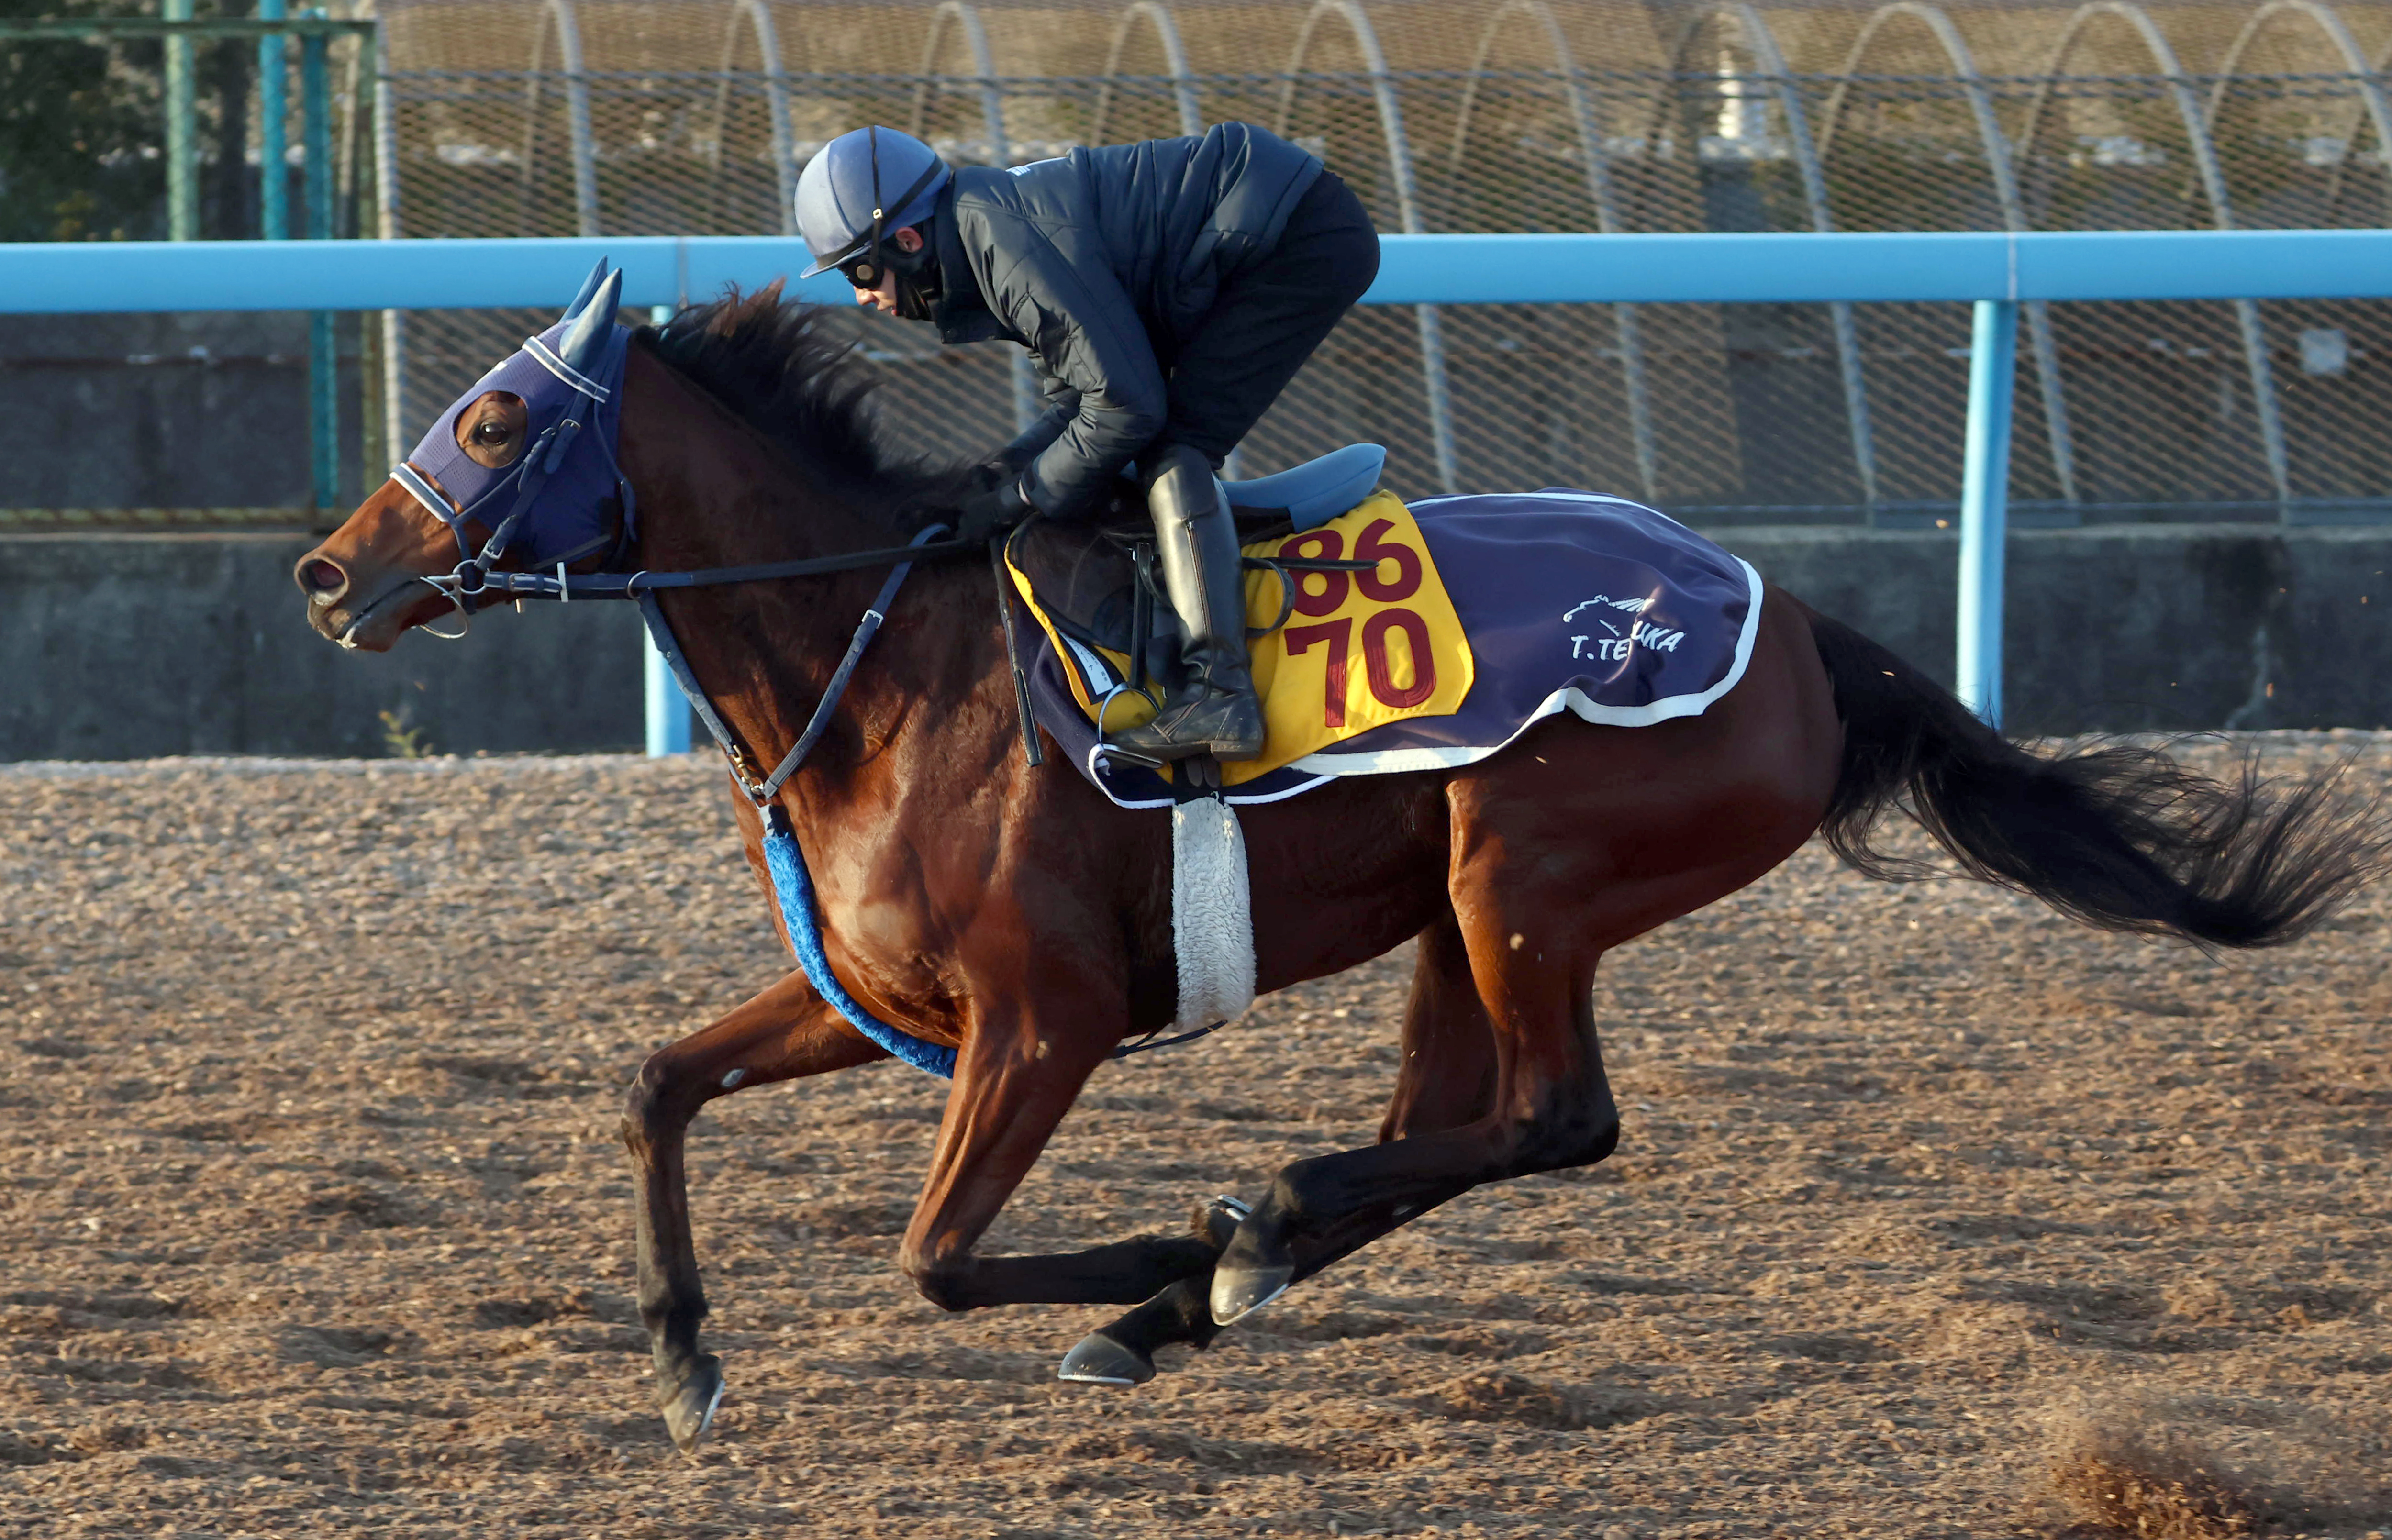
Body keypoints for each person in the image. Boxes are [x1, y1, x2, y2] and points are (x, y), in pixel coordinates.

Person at [792, 122, 1380, 764]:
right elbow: (1079, 402)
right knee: (1136, 440)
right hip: (1253, 225)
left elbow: (1126, 408)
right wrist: (992, 482)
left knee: (1172, 446)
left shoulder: (1006, 248)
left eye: (860, 270)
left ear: (906, 241)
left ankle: (1219, 692)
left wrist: (1023, 493)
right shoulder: (984, 237)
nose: (861, 296)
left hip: (1297, 233)